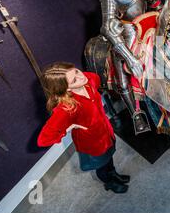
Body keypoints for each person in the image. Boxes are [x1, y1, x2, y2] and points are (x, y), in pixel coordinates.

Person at [85, 0, 162, 135]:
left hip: (148, 28)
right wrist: (131, 58)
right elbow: (108, 27)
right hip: (125, 32)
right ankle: (135, 113)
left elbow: (156, 4)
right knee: (122, 61)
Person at [37, 62, 130, 193]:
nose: (81, 77)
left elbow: (96, 79)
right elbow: (43, 140)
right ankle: (110, 183)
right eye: (74, 80)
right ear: (67, 89)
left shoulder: (89, 80)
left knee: (109, 159)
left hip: (106, 133)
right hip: (93, 144)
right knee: (102, 166)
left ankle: (114, 175)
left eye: (76, 71)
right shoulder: (66, 109)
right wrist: (70, 127)